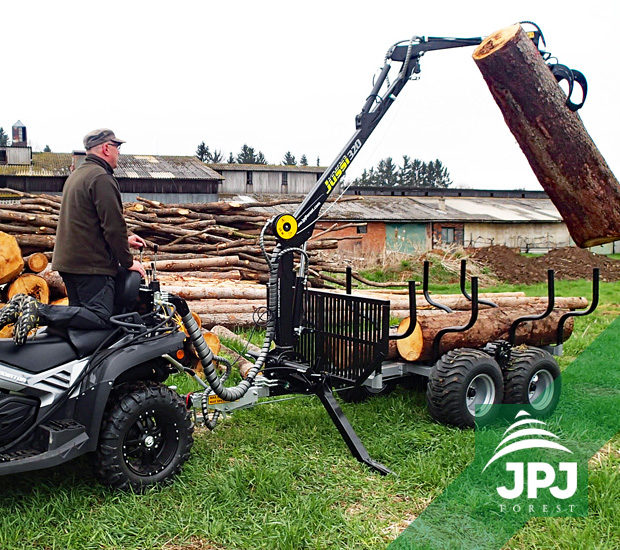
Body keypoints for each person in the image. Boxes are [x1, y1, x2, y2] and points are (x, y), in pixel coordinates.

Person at [0, 128, 146, 345]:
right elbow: (113, 226)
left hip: (70, 263)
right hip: (92, 266)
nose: (118, 154)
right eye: (117, 147)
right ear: (106, 148)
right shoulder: (101, 178)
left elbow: (86, 223)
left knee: (80, 325)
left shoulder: (77, 175)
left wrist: (125, 241)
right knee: (100, 318)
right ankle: (37, 311)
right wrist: (128, 261)